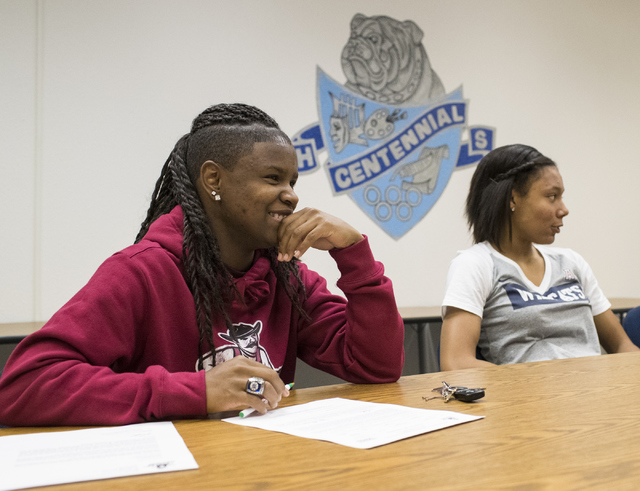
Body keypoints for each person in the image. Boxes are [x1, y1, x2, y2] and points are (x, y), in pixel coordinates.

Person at [0, 103, 404, 426]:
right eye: (272, 178)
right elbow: (22, 386)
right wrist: (193, 391)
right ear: (213, 180)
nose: (291, 196)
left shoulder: (288, 276)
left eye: (292, 182)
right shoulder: (142, 272)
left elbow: (375, 365)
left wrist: (354, 254)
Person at [440, 144, 638, 370]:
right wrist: (542, 387)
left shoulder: (571, 262)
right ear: (512, 199)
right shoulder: (475, 264)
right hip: (529, 401)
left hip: (594, 396)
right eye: (552, 196)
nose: (564, 209)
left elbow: (622, 346)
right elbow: (456, 363)